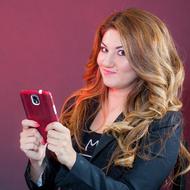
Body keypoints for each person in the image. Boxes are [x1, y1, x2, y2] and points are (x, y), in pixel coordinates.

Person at [19, 8, 190, 190]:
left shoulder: (164, 123)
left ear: (146, 59)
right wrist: (38, 162)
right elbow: (53, 183)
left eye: (121, 52)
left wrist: (73, 160)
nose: (106, 62)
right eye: (104, 49)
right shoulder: (79, 105)